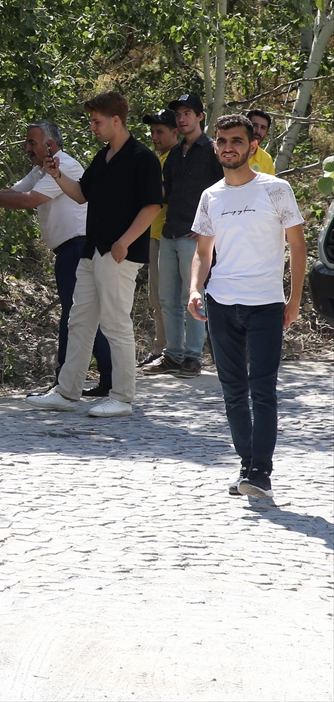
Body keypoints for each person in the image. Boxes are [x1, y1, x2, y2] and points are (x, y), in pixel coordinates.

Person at [187, 114, 305, 499]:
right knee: (233, 390)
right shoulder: (211, 196)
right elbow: (203, 251)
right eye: (222, 141)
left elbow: (297, 245)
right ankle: (247, 466)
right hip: (221, 304)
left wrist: (295, 298)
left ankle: (261, 471)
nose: (228, 147)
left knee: (263, 389)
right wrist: (194, 289)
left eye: (236, 141)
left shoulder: (276, 189)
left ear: (252, 145)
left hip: (266, 305)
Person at [28, 91, 163, 417]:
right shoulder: (102, 158)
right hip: (92, 250)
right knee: (80, 321)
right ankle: (67, 391)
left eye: (96, 121)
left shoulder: (142, 158)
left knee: (116, 324)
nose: (92, 127)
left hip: (120, 254)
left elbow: (152, 205)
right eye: (91, 121)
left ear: (116, 120)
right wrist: (57, 174)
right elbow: (80, 195)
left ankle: (122, 396)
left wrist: (125, 241)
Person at [0, 121, 113, 396]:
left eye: (32, 142)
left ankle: (69, 383)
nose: (27, 148)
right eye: (27, 142)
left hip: (78, 248)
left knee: (77, 316)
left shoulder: (63, 165)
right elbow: (15, 194)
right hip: (68, 251)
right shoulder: (40, 170)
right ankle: (104, 380)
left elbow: (31, 200)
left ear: (50, 146)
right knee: (82, 316)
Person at [142, 92, 223, 379]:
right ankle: (173, 355)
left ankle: (193, 358)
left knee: (194, 296)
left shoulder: (213, 150)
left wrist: (207, 226)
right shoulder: (174, 154)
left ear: (200, 116)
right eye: (179, 114)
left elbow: (225, 190)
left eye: (188, 112)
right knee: (167, 298)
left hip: (196, 237)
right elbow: (166, 190)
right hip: (169, 232)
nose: (182, 118)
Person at [139, 109, 179, 365]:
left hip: (169, 235)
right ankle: (162, 349)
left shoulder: (176, 159)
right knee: (157, 296)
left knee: (166, 297)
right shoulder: (161, 158)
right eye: (152, 132)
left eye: (160, 131)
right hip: (153, 234)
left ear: (176, 132)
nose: (154, 136)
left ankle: (168, 351)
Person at [245, 109, 276, 174]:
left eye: (263, 128)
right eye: (254, 125)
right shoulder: (229, 151)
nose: (258, 131)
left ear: (266, 132)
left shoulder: (266, 159)